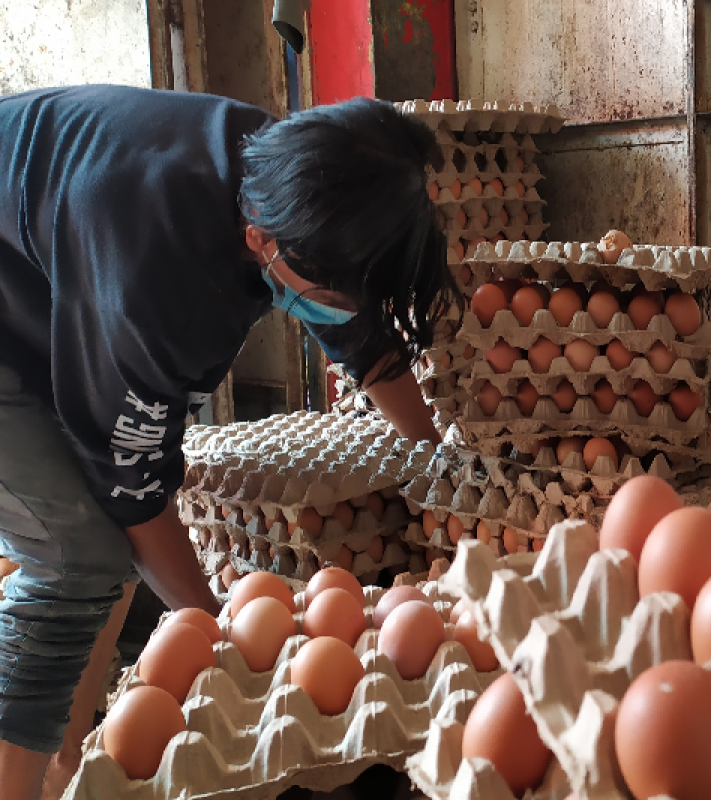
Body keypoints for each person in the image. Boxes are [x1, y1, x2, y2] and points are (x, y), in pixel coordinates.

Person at [0, 84, 458, 799]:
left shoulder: (296, 183)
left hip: (37, 271)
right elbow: (131, 488)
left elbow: (359, 334)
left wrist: (441, 452)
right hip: (37, 288)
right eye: (337, 294)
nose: (343, 311)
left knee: (104, 559)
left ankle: (62, 766)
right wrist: (228, 640)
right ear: (260, 241)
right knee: (75, 555)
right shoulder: (155, 275)